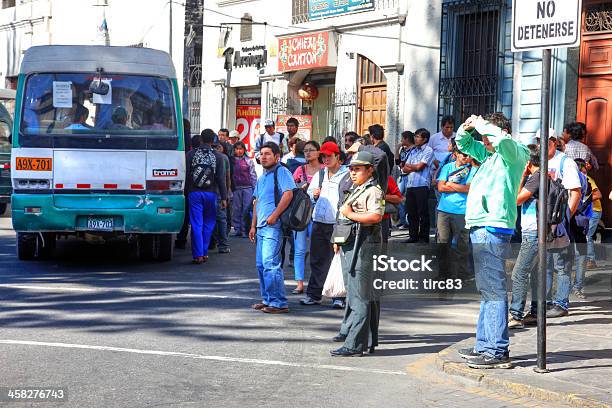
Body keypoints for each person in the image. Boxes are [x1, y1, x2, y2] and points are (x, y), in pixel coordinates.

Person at [455, 113, 529, 369]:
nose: (483, 140)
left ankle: (497, 350)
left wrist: (484, 126)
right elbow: (463, 144)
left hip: (493, 226)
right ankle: (484, 344)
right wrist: (467, 128)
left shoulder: (514, 151)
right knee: (487, 290)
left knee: (494, 290)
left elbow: (501, 141)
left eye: (488, 135)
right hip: (481, 225)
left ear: (503, 131)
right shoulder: (489, 155)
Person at [330, 151, 385, 357]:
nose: (353, 173)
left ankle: (355, 344)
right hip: (351, 243)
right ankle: (362, 340)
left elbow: (376, 215)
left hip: (364, 245)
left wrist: (351, 214)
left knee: (360, 296)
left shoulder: (373, 190)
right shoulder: (358, 188)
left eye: (358, 169)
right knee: (355, 294)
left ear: (370, 170)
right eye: (352, 169)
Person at [535, 128, 583, 318]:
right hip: (541, 222)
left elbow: (575, 192)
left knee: (561, 265)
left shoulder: (566, 162)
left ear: (554, 142)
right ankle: (545, 301)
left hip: (557, 223)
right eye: (538, 141)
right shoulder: (538, 162)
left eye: (545, 141)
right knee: (544, 263)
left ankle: (561, 303)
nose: (541, 144)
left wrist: (564, 219)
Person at [301, 141, 349, 308]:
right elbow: (310, 195)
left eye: (329, 156)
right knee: (316, 259)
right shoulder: (320, 175)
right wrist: (314, 195)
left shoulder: (347, 175)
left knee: (338, 259)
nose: (326, 159)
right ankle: (314, 294)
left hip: (339, 223)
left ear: (338, 157)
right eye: (323, 156)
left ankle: (339, 296)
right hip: (319, 222)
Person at [249, 142, 295, 314]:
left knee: (270, 263)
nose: (264, 157)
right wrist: (253, 225)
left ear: (277, 156)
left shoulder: (281, 172)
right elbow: (256, 202)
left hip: (273, 226)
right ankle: (267, 299)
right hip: (261, 227)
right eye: (262, 154)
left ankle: (279, 302)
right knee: (261, 265)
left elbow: (288, 194)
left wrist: (274, 215)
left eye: (268, 154)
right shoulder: (262, 178)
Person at [508, 143, 540, 330]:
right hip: (538, 232)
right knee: (535, 273)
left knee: (519, 273)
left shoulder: (534, 179)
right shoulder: (541, 177)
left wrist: (520, 177)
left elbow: (516, 199)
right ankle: (535, 313)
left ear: (528, 162)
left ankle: (516, 315)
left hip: (533, 232)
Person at [186, 128, 228, 264]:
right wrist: (224, 197)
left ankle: (197, 255)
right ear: (214, 140)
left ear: (201, 139)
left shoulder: (190, 154)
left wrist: (185, 192)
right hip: (211, 193)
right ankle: (204, 252)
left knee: (196, 223)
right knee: (209, 223)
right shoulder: (219, 156)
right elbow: (221, 179)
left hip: (194, 193)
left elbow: (186, 175)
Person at [436, 146, 477, 281]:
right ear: (456, 154)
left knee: (462, 245)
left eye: (468, 155)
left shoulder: (472, 169)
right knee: (443, 243)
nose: (466, 157)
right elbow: (441, 187)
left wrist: (450, 184)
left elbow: (469, 189)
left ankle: (463, 275)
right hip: (444, 210)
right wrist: (456, 187)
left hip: (462, 211)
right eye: (463, 155)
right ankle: (443, 274)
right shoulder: (448, 167)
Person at [291, 141, 323, 294]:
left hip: (319, 213)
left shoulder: (324, 170)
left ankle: (317, 283)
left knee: (318, 250)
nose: (308, 153)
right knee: (299, 249)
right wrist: (299, 188)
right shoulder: (299, 170)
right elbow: (290, 190)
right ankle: (299, 283)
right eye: (305, 151)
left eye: (311, 150)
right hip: (301, 213)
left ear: (318, 152)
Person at [401, 128, 434, 243]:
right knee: (411, 212)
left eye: (418, 136)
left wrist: (411, 166)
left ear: (425, 139)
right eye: (415, 136)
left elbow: (420, 167)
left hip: (422, 185)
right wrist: (411, 166)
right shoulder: (413, 151)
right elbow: (404, 168)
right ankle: (413, 235)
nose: (415, 138)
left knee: (423, 212)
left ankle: (424, 236)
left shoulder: (428, 150)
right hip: (411, 185)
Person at [231, 141, 257, 238]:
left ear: (244, 150)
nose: (239, 151)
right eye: (237, 149)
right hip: (236, 188)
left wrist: (255, 189)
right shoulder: (231, 161)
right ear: (234, 150)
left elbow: (253, 175)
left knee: (246, 209)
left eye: (241, 149)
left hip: (248, 188)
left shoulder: (248, 161)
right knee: (236, 209)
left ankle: (244, 230)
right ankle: (237, 229)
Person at [175, 121, 194, 249]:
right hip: (194, 186)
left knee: (186, 213)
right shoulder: (190, 144)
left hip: (183, 182)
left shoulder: (180, 140)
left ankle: (181, 239)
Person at [211, 142, 232, 254]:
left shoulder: (206, 156)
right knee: (221, 219)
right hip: (220, 192)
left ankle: (213, 242)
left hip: (208, 192)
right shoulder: (223, 158)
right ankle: (223, 245)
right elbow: (227, 178)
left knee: (210, 218)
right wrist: (227, 193)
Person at [582, 160, 602, 270]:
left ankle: (591, 260)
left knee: (587, 235)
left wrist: (585, 201)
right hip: (588, 211)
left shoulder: (587, 179)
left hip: (594, 210)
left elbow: (598, 194)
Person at [395, 130, 415, 229]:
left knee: (407, 199)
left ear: (407, 139)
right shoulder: (403, 149)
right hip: (402, 175)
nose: (401, 141)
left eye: (402, 138)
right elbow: (397, 162)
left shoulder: (414, 150)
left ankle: (407, 221)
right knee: (398, 197)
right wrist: (397, 149)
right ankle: (403, 220)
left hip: (409, 175)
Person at [382, 176, 403, 243]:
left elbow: (398, 198)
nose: (353, 172)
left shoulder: (386, 178)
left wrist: (382, 196)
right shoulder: (350, 178)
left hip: (382, 220)